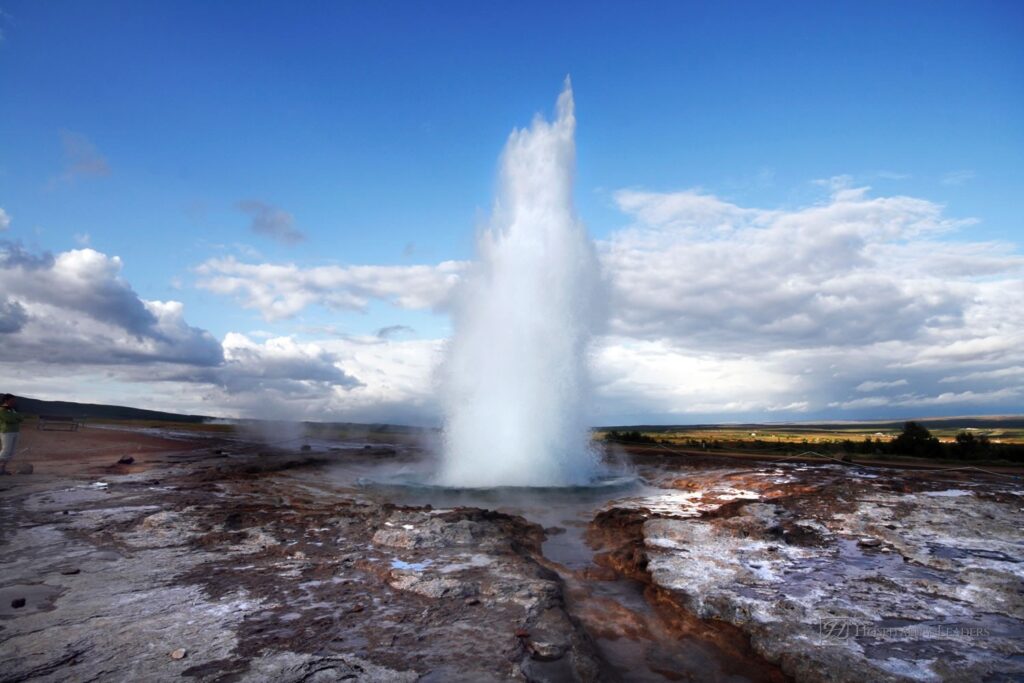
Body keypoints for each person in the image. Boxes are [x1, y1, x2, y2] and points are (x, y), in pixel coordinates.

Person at [0, 393, 24, 475]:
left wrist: (16, 417)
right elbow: (9, 419)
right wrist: (16, 417)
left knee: (11, 452)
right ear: (6, 400)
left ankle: (3, 469)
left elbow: (21, 418)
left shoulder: (12, 409)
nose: (14, 402)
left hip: (15, 431)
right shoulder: (2, 409)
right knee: (6, 450)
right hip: (6, 431)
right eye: (12, 400)